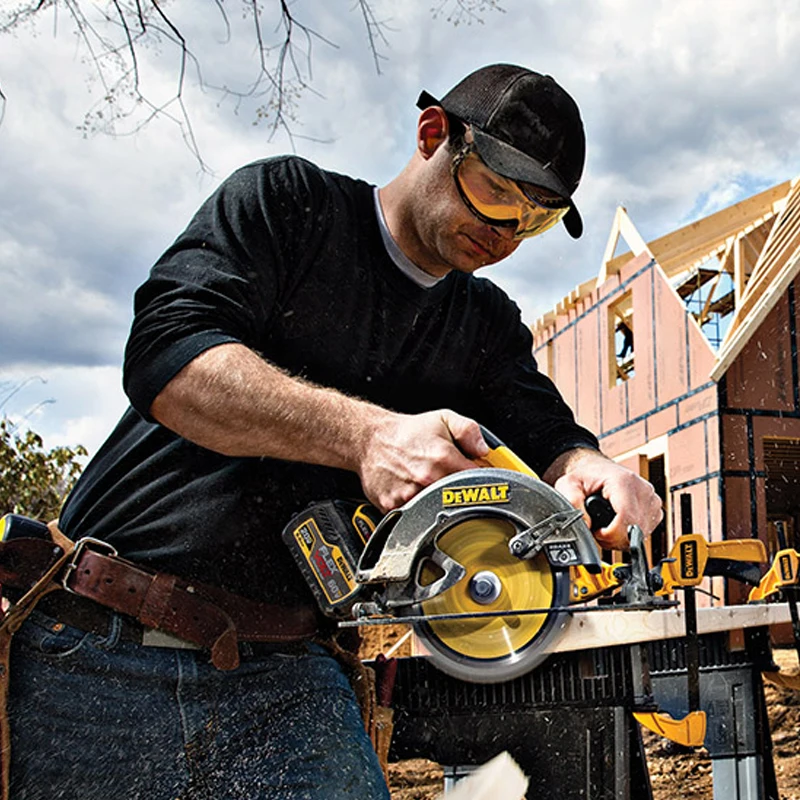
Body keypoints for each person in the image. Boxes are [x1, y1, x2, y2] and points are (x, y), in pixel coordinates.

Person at [6, 64, 662, 799]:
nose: (505, 230)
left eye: (533, 217)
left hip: (290, 672)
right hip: (104, 644)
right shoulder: (289, 205)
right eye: (495, 192)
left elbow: (549, 435)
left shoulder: (483, 324)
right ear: (432, 135)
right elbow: (167, 360)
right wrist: (365, 436)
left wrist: (591, 468)